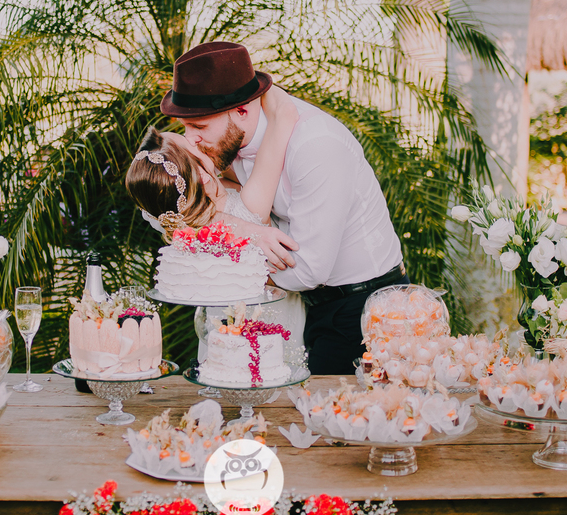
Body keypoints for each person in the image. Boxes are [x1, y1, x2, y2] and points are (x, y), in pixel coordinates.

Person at [159, 41, 408, 375]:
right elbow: (180, 202)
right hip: (306, 306)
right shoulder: (233, 140)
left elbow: (308, 270)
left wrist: (227, 260)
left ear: (243, 110)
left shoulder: (316, 146)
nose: (190, 140)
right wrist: (247, 231)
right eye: (185, 126)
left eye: (199, 126)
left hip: (361, 311)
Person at [125, 85, 306, 357]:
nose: (194, 139)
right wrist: (250, 86)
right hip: (268, 331)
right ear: (202, 177)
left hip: (215, 333)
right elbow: (285, 114)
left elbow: (156, 201)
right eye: (190, 145)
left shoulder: (167, 213)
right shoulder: (249, 207)